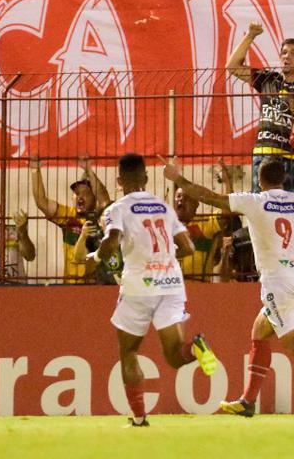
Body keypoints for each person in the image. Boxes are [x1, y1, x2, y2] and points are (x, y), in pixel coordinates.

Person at [163, 156, 294, 417]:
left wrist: (177, 178)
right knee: (259, 331)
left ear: (259, 179)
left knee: (293, 343)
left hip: (278, 283)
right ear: (284, 179)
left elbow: (211, 197)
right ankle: (247, 401)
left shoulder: (255, 202)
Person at [92, 153, 218, 427]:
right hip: (171, 284)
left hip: (139, 287)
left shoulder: (117, 209)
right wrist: (163, 259)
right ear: (146, 178)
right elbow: (188, 247)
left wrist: (97, 256)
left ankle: (139, 418)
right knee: (175, 355)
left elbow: (111, 241)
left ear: (119, 181)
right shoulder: (164, 207)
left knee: (128, 352)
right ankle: (196, 348)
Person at [226, 21, 294, 193]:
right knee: (262, 205)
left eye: (293, 53)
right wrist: (250, 36)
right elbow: (232, 66)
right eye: (284, 53)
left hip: (292, 157)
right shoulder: (268, 79)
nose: (287, 56)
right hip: (264, 154)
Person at [30, 155, 112, 283]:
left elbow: (105, 200)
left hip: (96, 285)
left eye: (86, 193)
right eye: (77, 193)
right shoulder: (68, 215)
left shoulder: (101, 217)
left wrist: (89, 170)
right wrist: (35, 170)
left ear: (94, 197)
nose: (80, 197)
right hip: (71, 285)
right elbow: (41, 202)